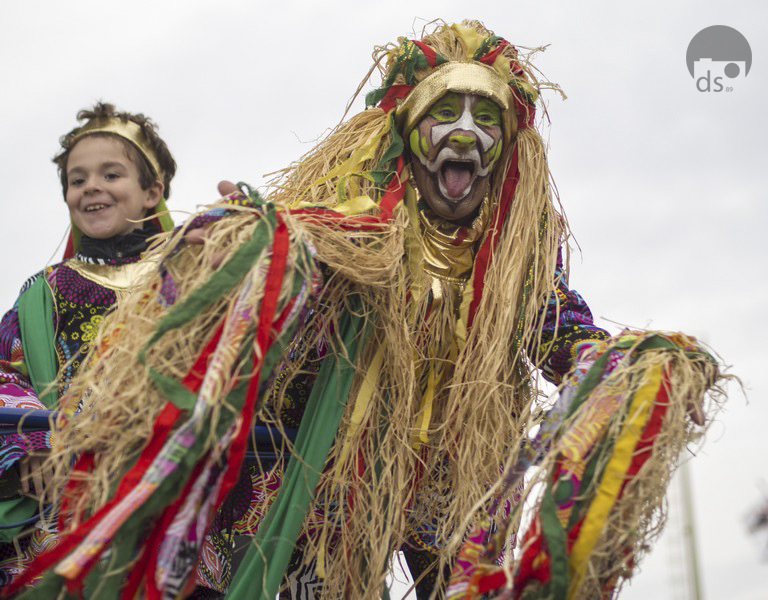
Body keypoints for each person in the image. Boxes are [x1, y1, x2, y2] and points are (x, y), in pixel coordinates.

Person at [6, 22, 722, 600]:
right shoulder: (353, 235)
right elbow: (273, 304)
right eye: (446, 112)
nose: (465, 133)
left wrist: (629, 371)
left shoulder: (514, 268)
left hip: (456, 491)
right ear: (407, 131)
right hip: (334, 484)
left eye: (486, 116)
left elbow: (568, 340)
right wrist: (249, 247)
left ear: (507, 143)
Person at [0, 102, 176, 586]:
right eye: (77, 181)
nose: (91, 187)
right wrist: (32, 436)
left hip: (172, 490)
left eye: (111, 174)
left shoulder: (193, 273)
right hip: (66, 503)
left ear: (152, 192)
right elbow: (4, 372)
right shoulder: (45, 291)